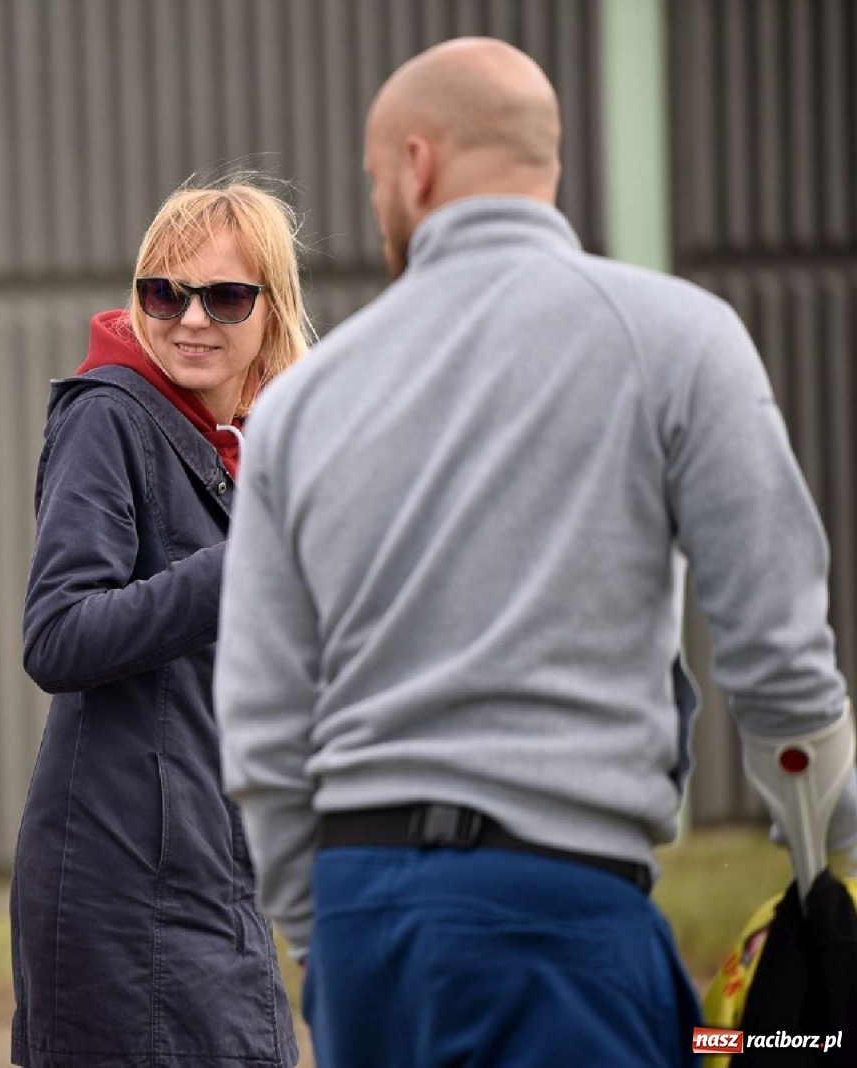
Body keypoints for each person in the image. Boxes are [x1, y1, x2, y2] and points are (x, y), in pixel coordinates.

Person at [214, 37, 857, 1066]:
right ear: (543, 165)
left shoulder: (299, 405)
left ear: (416, 166)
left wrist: (320, 936)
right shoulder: (677, 336)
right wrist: (829, 866)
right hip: (557, 914)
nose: (381, 207)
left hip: (362, 921)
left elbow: (257, 717)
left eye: (377, 182)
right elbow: (779, 651)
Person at [11, 176, 312, 1068]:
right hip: (123, 885)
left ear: (270, 311)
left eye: (224, 296)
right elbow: (59, 634)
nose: (191, 319)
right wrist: (253, 558)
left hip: (214, 869)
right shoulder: (111, 416)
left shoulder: (244, 447)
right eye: (163, 293)